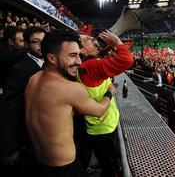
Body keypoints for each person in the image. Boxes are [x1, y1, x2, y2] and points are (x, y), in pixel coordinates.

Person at [25, 30, 115, 177]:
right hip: (64, 169)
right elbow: (99, 110)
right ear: (52, 58)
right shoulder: (70, 89)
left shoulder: (33, 79)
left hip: (37, 164)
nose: (79, 62)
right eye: (72, 56)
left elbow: (55, 111)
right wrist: (110, 92)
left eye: (79, 55)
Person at [78, 31, 134, 177]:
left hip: (98, 128)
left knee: (108, 166)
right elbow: (126, 60)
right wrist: (116, 42)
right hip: (104, 130)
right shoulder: (91, 66)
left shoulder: (86, 64)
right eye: (87, 40)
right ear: (82, 51)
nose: (92, 38)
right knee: (113, 170)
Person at [0, 26, 45, 176]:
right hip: (26, 140)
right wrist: (9, 148)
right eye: (36, 42)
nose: (41, 46)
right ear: (26, 44)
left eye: (44, 42)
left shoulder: (50, 62)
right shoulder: (20, 69)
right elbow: (9, 110)